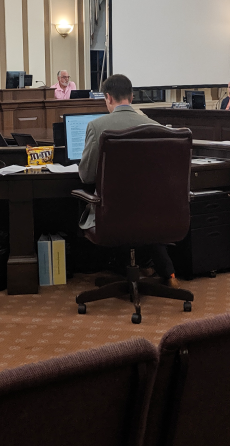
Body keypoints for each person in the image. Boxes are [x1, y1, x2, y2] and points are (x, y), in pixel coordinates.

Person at [77, 73, 181, 288]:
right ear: (132, 97)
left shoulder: (97, 126)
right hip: (153, 215)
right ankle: (161, 270)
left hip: (113, 216)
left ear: (107, 97)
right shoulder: (156, 127)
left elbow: (86, 176)